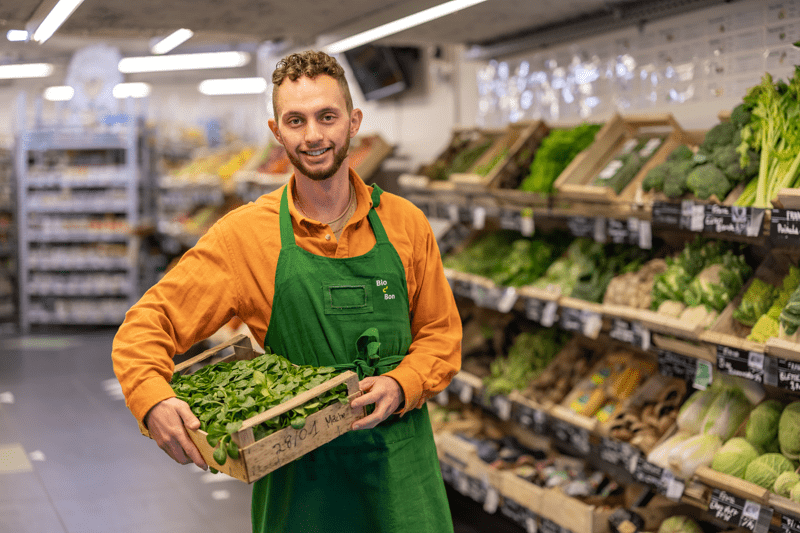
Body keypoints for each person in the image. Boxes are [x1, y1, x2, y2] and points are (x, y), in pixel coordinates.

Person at [111, 50, 462, 532]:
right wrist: (151, 399)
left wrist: (406, 382)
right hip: (301, 484)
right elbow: (148, 322)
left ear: (353, 122)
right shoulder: (244, 237)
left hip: (402, 477)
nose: (313, 135)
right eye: (295, 121)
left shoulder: (406, 223)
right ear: (277, 132)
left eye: (327, 117)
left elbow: (441, 333)